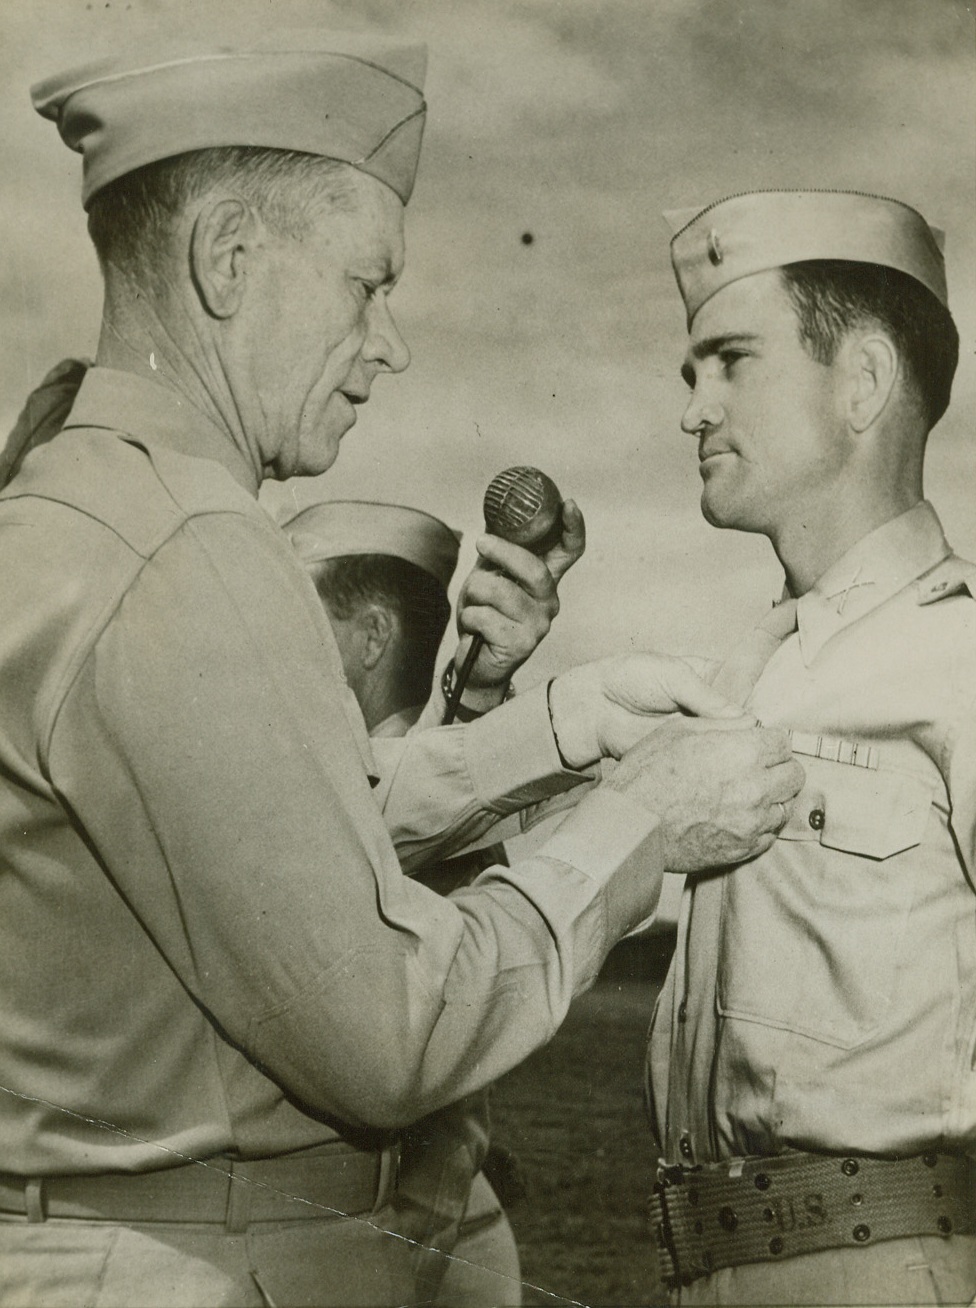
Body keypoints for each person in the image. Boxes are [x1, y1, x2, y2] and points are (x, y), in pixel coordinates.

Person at [0, 40, 804, 1307]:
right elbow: (389, 1029)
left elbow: (256, 856)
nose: (391, 346)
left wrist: (553, 725)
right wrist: (638, 822)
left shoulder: (76, 511)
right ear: (227, 260)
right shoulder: (190, 548)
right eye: (368, 284)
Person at [646, 190, 976, 1306]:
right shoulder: (744, 674)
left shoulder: (960, 660)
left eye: (730, 360)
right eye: (690, 373)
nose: (694, 409)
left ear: (864, 382)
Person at [280, 497, 561, 1304]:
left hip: (404, 1241)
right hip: (444, 1228)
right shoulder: (461, 774)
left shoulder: (399, 789)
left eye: (300, 615)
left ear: (372, 637)